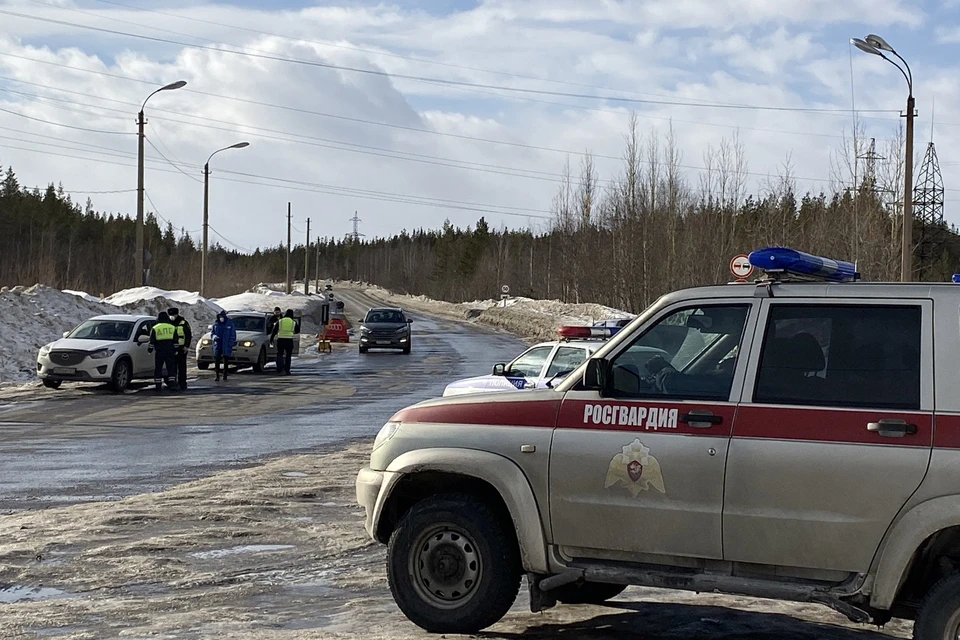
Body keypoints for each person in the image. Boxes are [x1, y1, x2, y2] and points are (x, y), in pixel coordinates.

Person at [149, 311, 179, 391]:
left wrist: (150, 349)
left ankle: (158, 385)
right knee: (170, 368)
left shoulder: (155, 328)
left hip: (159, 351)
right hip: (170, 351)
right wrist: (176, 350)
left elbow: (152, 340)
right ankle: (171, 384)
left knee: (158, 368)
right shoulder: (172, 327)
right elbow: (176, 340)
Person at [168, 307, 192, 391]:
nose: (172, 316)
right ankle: (173, 383)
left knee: (182, 367)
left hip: (181, 348)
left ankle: (182, 383)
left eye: (173, 315)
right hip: (171, 348)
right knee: (172, 367)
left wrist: (186, 346)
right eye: (170, 315)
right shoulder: (168, 323)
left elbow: (188, 335)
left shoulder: (183, 323)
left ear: (177, 314)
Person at [211, 310, 236, 382]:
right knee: (217, 360)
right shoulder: (216, 324)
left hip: (226, 344)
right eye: (219, 317)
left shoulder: (229, 323)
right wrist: (214, 337)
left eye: (222, 316)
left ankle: (225, 375)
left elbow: (233, 334)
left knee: (226, 360)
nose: (221, 318)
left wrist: (231, 342)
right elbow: (212, 333)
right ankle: (217, 375)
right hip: (218, 344)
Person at [272, 309, 296, 375]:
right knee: (288, 356)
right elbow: (297, 330)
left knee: (280, 354)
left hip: (281, 339)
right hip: (289, 340)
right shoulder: (293, 322)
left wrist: (271, 338)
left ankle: (279, 368)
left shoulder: (280, 321)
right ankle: (287, 370)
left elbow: (274, 331)